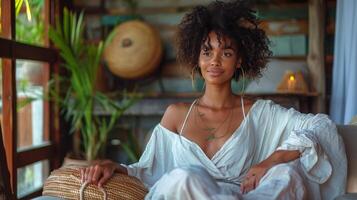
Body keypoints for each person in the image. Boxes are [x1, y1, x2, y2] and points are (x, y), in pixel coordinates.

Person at [81, 1, 346, 199]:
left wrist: (271, 160)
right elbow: (148, 171)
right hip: (190, 193)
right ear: (196, 58)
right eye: (207, 52)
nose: (215, 61)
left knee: (287, 175)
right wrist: (112, 166)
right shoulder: (177, 115)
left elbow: (321, 126)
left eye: (227, 52)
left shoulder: (259, 113)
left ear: (240, 60)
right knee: (184, 177)